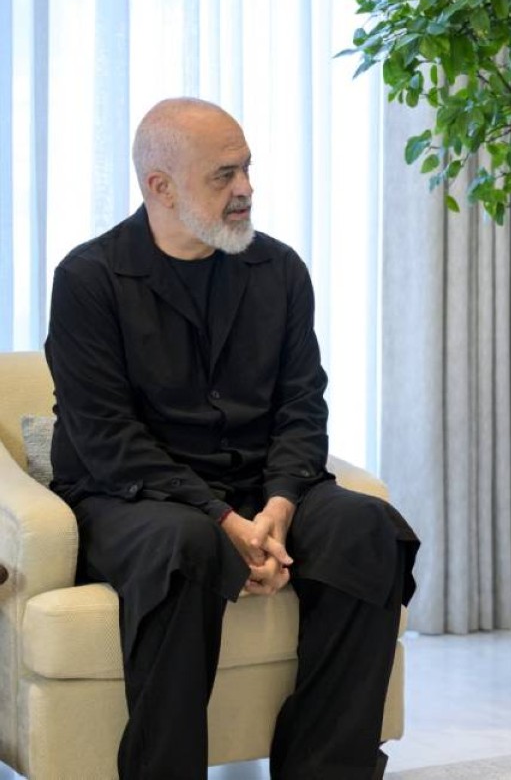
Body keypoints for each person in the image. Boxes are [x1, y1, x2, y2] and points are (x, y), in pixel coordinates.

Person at [45, 97, 419, 780]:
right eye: (224, 175)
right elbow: (107, 439)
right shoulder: (89, 279)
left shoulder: (279, 270)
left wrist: (278, 505)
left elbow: (302, 407)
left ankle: (326, 770)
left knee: (368, 529)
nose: (245, 187)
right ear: (160, 186)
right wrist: (223, 520)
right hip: (131, 497)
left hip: (257, 486)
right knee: (186, 545)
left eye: (246, 168)